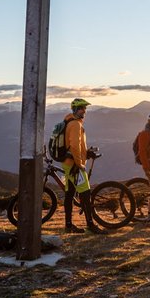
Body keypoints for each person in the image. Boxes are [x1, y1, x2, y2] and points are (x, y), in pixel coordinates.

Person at [62, 98, 102, 234]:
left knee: (70, 194)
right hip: (74, 165)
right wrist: (80, 164)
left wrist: (87, 153)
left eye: (85, 108)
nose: (84, 110)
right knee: (85, 194)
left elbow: (77, 146)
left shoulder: (71, 122)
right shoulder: (75, 125)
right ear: (74, 109)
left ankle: (68, 226)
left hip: (68, 163)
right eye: (81, 108)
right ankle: (91, 226)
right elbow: (74, 146)